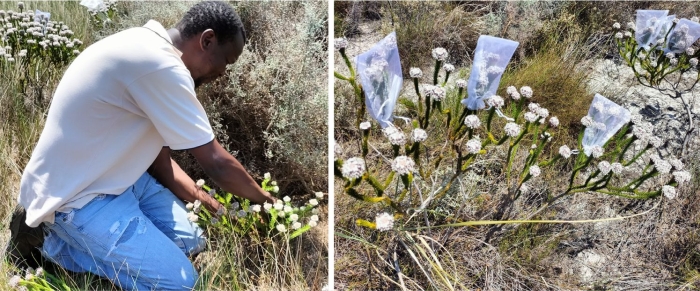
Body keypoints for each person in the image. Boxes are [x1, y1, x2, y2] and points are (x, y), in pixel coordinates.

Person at [7, 1, 276, 290]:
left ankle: (82, 247)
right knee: (181, 284)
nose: (223, 72)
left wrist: (216, 209)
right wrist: (270, 205)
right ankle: (49, 243)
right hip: (79, 197)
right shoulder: (159, 67)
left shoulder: (146, 44)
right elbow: (217, 163)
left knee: (193, 241)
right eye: (226, 61)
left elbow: (159, 162)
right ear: (207, 40)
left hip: (119, 178)